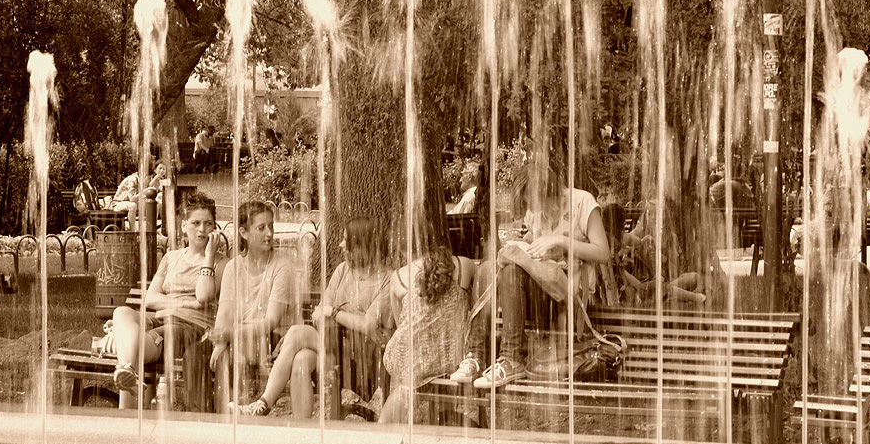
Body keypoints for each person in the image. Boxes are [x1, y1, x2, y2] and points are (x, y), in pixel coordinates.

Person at [450, 157, 610, 389]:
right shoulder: (534, 212)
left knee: (512, 272)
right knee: (487, 268)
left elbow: (603, 253)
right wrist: (522, 244)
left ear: (548, 190)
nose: (533, 210)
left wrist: (561, 241)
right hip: (541, 295)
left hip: (570, 299)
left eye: (535, 202)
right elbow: (534, 241)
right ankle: (476, 354)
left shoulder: (582, 202)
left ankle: (511, 357)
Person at [233, 216, 392, 418]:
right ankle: (299, 427)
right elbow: (318, 314)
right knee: (301, 360)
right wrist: (345, 317)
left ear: (362, 245)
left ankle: (262, 403)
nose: (341, 245)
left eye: (346, 240)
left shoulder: (387, 279)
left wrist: (334, 313)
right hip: (332, 348)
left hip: (363, 360)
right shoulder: (343, 270)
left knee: (296, 333)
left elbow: (368, 324)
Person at [105, 191, 223, 408]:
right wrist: (186, 303)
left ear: (214, 228)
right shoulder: (171, 257)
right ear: (184, 226)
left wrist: (209, 256)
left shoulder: (220, 262)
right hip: (160, 319)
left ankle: (126, 385)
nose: (202, 229)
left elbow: (204, 296)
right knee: (121, 312)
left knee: (130, 344)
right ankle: (127, 369)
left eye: (208, 224)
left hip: (189, 328)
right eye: (195, 223)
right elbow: (150, 299)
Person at [209, 200, 297, 414]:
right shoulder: (233, 267)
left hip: (273, 340)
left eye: (271, 226)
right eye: (261, 228)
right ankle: (210, 419)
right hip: (239, 336)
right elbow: (225, 314)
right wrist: (220, 342)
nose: (269, 233)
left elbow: (270, 322)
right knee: (199, 355)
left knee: (239, 351)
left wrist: (230, 335)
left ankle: (241, 415)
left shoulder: (282, 266)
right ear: (244, 233)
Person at [379, 246, 475, 423]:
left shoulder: (398, 277)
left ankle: (383, 429)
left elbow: (401, 325)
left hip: (409, 360)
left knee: (406, 383)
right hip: (451, 357)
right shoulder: (463, 265)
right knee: (436, 365)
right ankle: (446, 417)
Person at [605, 203, 705, 305]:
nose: (653, 218)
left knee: (693, 277)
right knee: (661, 288)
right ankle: (666, 294)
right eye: (649, 214)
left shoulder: (670, 237)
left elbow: (677, 270)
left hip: (662, 280)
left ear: (663, 216)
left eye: (656, 214)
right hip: (642, 282)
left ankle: (663, 294)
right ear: (645, 217)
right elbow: (623, 261)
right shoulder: (631, 236)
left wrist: (663, 259)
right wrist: (632, 251)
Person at [108, 160, 165, 228]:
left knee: (155, 204)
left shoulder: (142, 181)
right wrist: (145, 191)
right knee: (133, 206)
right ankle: (132, 231)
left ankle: (151, 228)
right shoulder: (132, 179)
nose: (148, 179)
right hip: (118, 203)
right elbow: (132, 199)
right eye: (148, 177)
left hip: (131, 203)